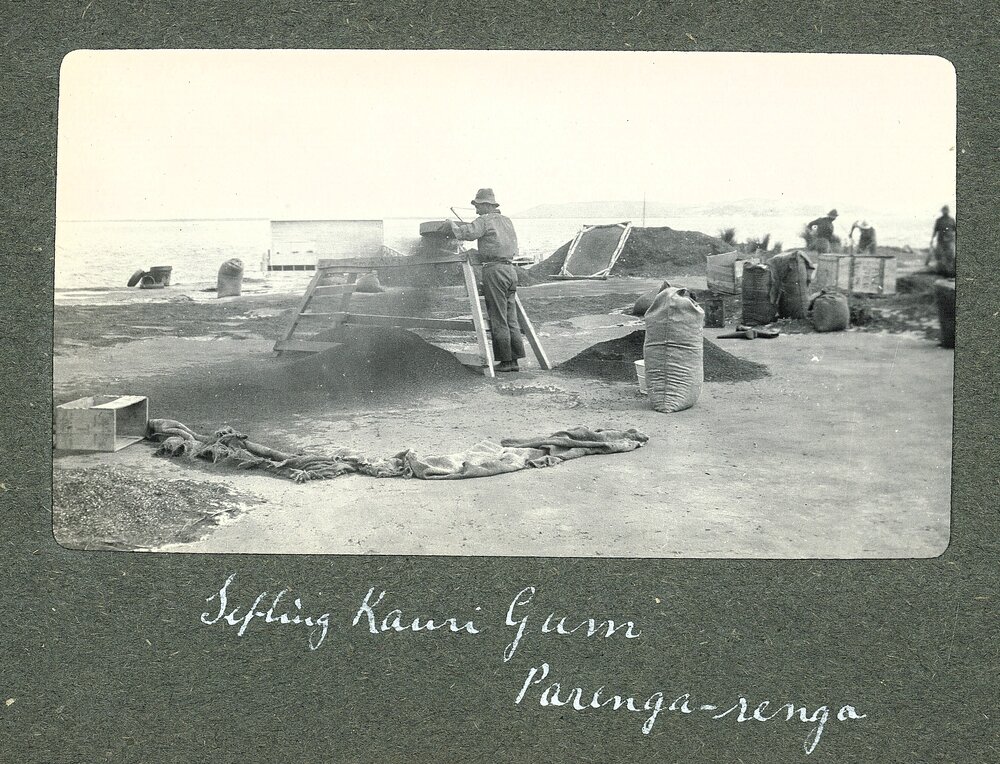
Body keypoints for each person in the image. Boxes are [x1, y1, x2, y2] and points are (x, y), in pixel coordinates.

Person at [446, 188, 525, 372]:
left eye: (478, 206)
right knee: (510, 317)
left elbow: (466, 233)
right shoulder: (507, 221)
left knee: (498, 317)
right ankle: (514, 361)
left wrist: (451, 225)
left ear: (487, 205)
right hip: (511, 270)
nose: (476, 210)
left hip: (494, 271)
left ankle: (505, 362)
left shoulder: (484, 220)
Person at [927, 205, 957, 276]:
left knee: (950, 256)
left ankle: (950, 272)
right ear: (942, 211)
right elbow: (935, 230)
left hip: (950, 241)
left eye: (946, 210)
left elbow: (955, 230)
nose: (945, 211)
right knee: (939, 256)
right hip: (940, 240)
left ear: (948, 211)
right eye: (944, 210)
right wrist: (932, 239)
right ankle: (941, 271)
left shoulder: (952, 220)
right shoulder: (939, 220)